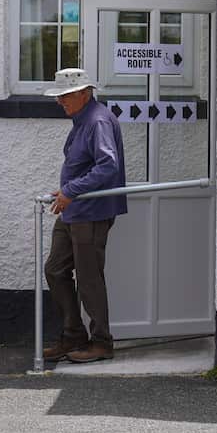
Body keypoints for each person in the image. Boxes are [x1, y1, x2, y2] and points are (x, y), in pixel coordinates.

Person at [43, 68, 127, 363]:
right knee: (55, 269)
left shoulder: (97, 120)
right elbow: (94, 165)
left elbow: (108, 165)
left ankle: (101, 342)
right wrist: (67, 192)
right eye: (59, 96)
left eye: (65, 96)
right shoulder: (86, 118)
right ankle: (74, 335)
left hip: (90, 211)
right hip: (76, 208)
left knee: (89, 278)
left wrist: (71, 190)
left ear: (84, 93)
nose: (60, 101)